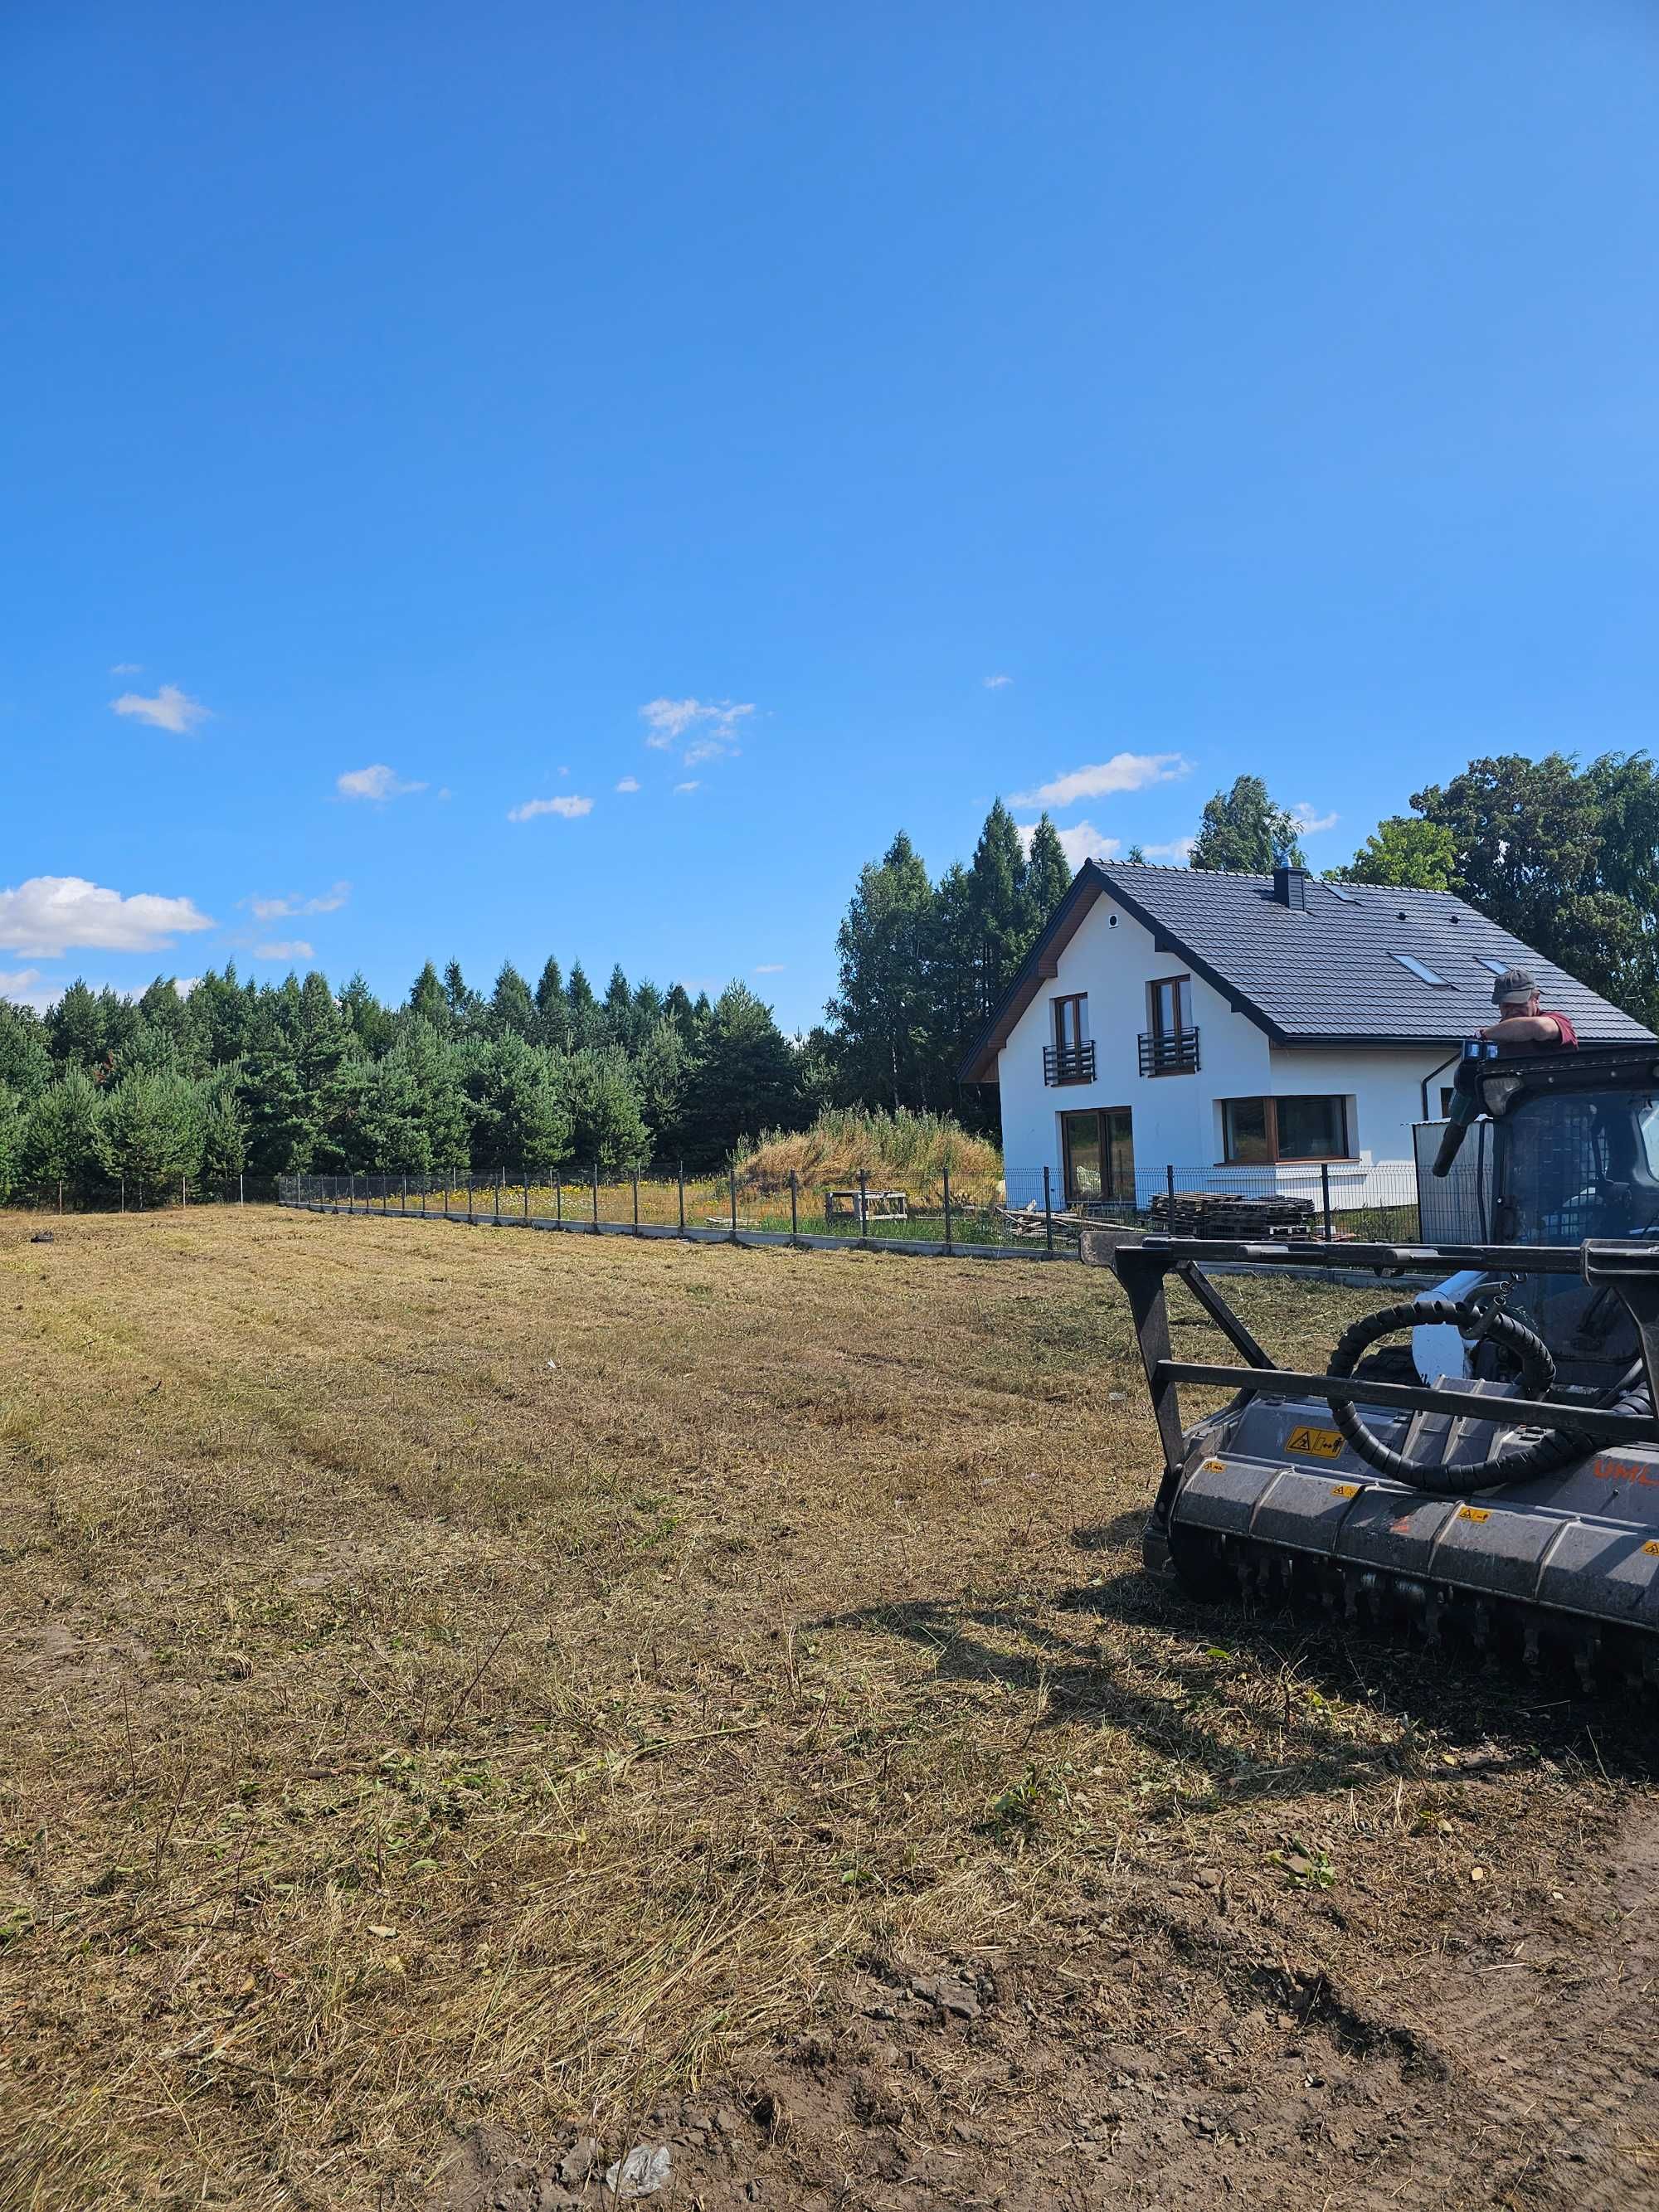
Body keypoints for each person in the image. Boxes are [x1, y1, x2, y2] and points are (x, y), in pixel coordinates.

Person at [1479, 967, 1578, 1053]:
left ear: (1536, 998)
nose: (1513, 1011)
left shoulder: (1559, 1021)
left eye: (1519, 1004)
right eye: (1507, 1006)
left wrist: (1484, 1034)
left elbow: (1538, 1027)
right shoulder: (1497, 1034)